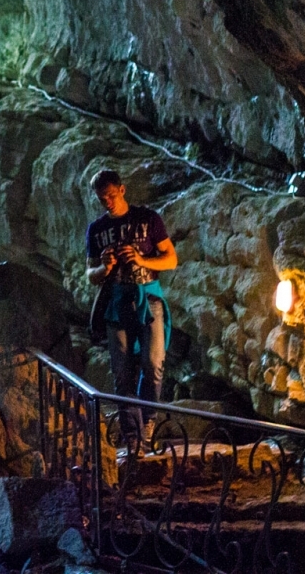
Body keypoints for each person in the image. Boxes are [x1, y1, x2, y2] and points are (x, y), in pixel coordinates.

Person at [84, 168, 177, 452]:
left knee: (153, 364)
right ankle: (132, 437)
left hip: (148, 297)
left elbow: (171, 259)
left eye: (111, 195)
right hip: (117, 301)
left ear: (122, 190)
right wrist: (105, 267)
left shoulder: (147, 219)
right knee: (122, 371)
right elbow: (90, 274)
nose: (108, 202)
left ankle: (148, 422)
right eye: (102, 198)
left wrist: (140, 258)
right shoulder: (97, 229)